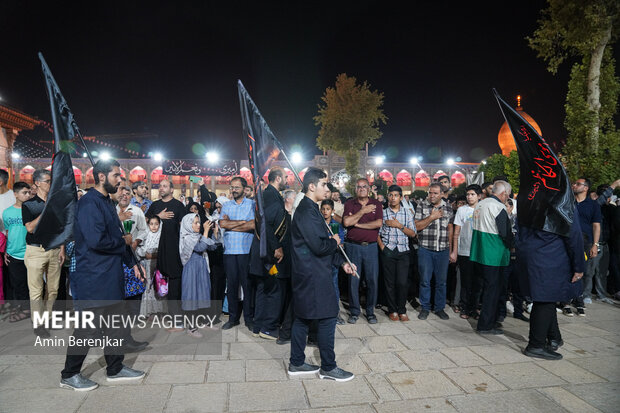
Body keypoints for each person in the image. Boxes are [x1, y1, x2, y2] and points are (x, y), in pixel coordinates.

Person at [60, 159, 145, 391]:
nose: (121, 180)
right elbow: (97, 240)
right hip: (93, 277)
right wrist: (123, 241)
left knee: (115, 325)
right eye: (116, 175)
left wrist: (132, 262)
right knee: (88, 328)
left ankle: (115, 368)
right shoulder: (88, 204)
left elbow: (115, 234)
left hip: (111, 275)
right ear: (101, 177)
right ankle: (70, 374)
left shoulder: (107, 201)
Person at [288, 167, 356, 382]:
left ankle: (297, 362)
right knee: (327, 317)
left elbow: (316, 248)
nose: (327, 188)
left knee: (302, 318)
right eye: (324, 184)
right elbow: (318, 247)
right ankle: (328, 367)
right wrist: (334, 241)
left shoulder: (312, 208)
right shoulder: (307, 210)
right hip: (312, 275)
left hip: (310, 272)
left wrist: (342, 262)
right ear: (311, 186)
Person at [518, 208, 585, 360]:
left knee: (547, 298)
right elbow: (574, 236)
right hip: (551, 257)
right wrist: (579, 266)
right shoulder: (562, 203)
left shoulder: (531, 199)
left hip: (532, 255)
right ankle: (536, 345)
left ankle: (554, 337)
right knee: (545, 300)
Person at [248, 168, 292, 340]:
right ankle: (268, 328)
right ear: (278, 178)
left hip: (263, 252)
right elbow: (266, 225)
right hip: (269, 255)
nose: (287, 179)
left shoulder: (268, 195)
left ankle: (258, 325)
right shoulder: (272, 197)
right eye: (286, 177)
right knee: (273, 290)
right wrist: (277, 248)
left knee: (263, 289)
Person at [22, 169, 65, 338]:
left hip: (54, 250)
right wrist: (46, 210)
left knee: (53, 289)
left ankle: (47, 318)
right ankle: (38, 324)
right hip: (35, 250)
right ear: (37, 183)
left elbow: (60, 229)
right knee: (36, 290)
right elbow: (30, 228)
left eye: (51, 181)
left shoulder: (57, 203)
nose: (50, 184)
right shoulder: (29, 204)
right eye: (47, 181)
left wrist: (61, 249)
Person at [470, 181, 514, 335]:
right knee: (493, 291)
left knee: (486, 289)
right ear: (504, 194)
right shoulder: (498, 207)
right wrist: (513, 244)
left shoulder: (480, 204)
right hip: (494, 255)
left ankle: (488, 320)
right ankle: (485, 325)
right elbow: (505, 233)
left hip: (480, 253)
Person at [145, 179, 186, 330]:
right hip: (158, 252)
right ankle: (162, 313)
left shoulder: (178, 206)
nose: (161, 188)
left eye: (165, 186)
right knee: (160, 286)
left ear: (171, 189)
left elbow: (185, 227)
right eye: (160, 186)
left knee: (175, 287)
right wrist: (158, 216)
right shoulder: (155, 205)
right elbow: (146, 221)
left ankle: (179, 320)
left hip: (174, 252)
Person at [342, 178, 383, 324]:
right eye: (359, 187)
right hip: (353, 247)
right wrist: (363, 211)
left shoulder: (376, 204)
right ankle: (354, 311)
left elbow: (378, 223)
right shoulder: (349, 203)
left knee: (372, 280)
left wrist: (357, 224)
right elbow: (346, 223)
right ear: (355, 189)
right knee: (354, 280)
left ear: (369, 188)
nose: (361, 189)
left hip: (371, 247)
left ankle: (370, 312)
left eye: (364, 186)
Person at [219, 176, 255, 330]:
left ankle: (249, 318)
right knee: (232, 286)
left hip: (246, 251)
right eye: (232, 187)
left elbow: (253, 225)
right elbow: (222, 223)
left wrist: (231, 224)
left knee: (248, 286)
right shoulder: (226, 205)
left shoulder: (252, 205)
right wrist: (242, 222)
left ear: (245, 189)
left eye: (236, 187)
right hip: (229, 252)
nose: (233, 190)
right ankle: (233, 318)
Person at [377, 185, 417, 321]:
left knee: (402, 282)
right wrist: (382, 246)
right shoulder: (383, 213)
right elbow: (377, 232)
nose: (393, 198)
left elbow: (413, 233)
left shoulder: (407, 213)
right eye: (390, 195)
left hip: (403, 251)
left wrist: (398, 225)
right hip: (388, 250)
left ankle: (402, 309)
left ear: (401, 197)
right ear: (388, 197)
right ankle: (392, 310)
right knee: (389, 282)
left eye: (396, 195)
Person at [414, 183, 453, 320]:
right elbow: (416, 226)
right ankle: (425, 307)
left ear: (442, 194)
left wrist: (452, 250)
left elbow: (450, 229)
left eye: (435, 193)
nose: (432, 196)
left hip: (443, 249)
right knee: (425, 280)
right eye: (430, 193)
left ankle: (439, 308)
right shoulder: (422, 205)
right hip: (425, 248)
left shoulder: (448, 207)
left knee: (441, 282)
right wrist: (431, 217)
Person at [567, 177, 602, 316]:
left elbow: (596, 226)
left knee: (581, 269)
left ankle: (578, 299)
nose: (574, 185)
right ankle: (566, 301)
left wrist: (595, 244)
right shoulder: (569, 202)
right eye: (574, 183)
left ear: (586, 188)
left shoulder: (593, 205)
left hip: (585, 242)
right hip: (568, 240)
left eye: (578, 184)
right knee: (567, 269)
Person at [180, 213, 218, 337]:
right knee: (192, 296)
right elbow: (201, 247)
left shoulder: (198, 235)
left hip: (201, 268)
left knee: (203, 293)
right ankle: (191, 328)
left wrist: (214, 232)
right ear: (188, 224)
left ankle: (203, 322)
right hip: (191, 269)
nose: (198, 225)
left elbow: (212, 247)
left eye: (198, 222)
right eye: (195, 223)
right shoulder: (187, 237)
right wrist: (206, 232)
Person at [450, 184, 482, 319]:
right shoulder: (462, 210)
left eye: (472, 194)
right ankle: (464, 308)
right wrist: (454, 251)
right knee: (465, 282)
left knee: (478, 283)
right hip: (464, 251)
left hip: (480, 252)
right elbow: (456, 232)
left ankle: (474, 308)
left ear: (479, 196)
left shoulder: (483, 209)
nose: (469, 197)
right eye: (468, 194)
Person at [3, 182, 31, 322]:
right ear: (15, 194)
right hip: (14, 253)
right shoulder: (7, 212)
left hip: (31, 252)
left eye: (28, 192)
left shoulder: (33, 210)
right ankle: (24, 308)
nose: (27, 195)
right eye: (24, 192)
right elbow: (8, 232)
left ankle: (30, 309)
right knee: (18, 283)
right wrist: (6, 251)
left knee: (32, 283)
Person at [321, 198, 346, 324]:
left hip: (333, 259)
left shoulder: (336, 225)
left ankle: (336, 314)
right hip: (321, 260)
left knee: (334, 287)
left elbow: (340, 242)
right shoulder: (318, 224)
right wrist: (331, 241)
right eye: (323, 209)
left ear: (332, 211)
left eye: (328, 209)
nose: (325, 212)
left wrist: (332, 242)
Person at [137, 216, 166, 316]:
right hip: (148, 265)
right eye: (151, 224)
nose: (154, 226)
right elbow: (139, 249)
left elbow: (164, 250)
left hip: (159, 265)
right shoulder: (146, 235)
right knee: (149, 286)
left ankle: (161, 310)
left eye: (156, 224)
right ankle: (150, 311)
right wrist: (145, 254)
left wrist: (154, 255)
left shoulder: (162, 236)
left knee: (159, 285)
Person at [117, 186, 148, 251]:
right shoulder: (112, 211)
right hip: (115, 248)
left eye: (127, 194)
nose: (124, 197)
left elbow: (144, 230)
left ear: (131, 197)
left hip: (132, 249)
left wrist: (136, 242)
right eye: (122, 194)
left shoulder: (137, 211)